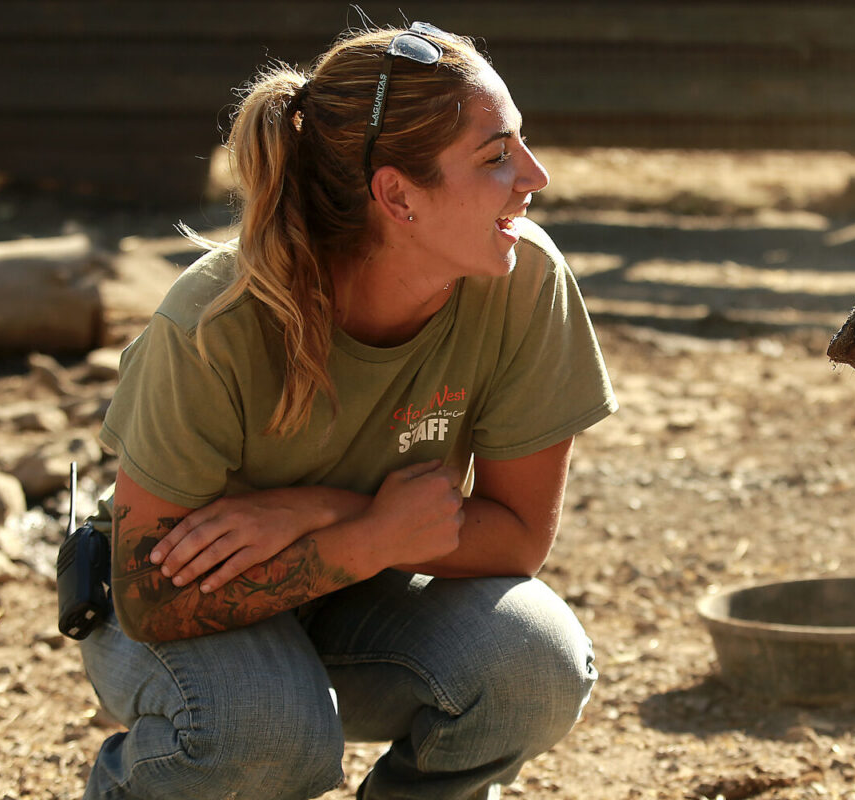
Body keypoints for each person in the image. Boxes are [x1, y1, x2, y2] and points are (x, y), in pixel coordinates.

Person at [77, 21, 617, 800]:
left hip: (365, 591)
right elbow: (150, 596)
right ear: (397, 195)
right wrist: (364, 537)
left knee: (535, 666)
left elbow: (520, 537)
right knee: (265, 731)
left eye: (520, 143)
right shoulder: (214, 321)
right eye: (496, 156)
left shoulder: (525, 278)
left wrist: (325, 512)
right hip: (178, 607)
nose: (535, 175)